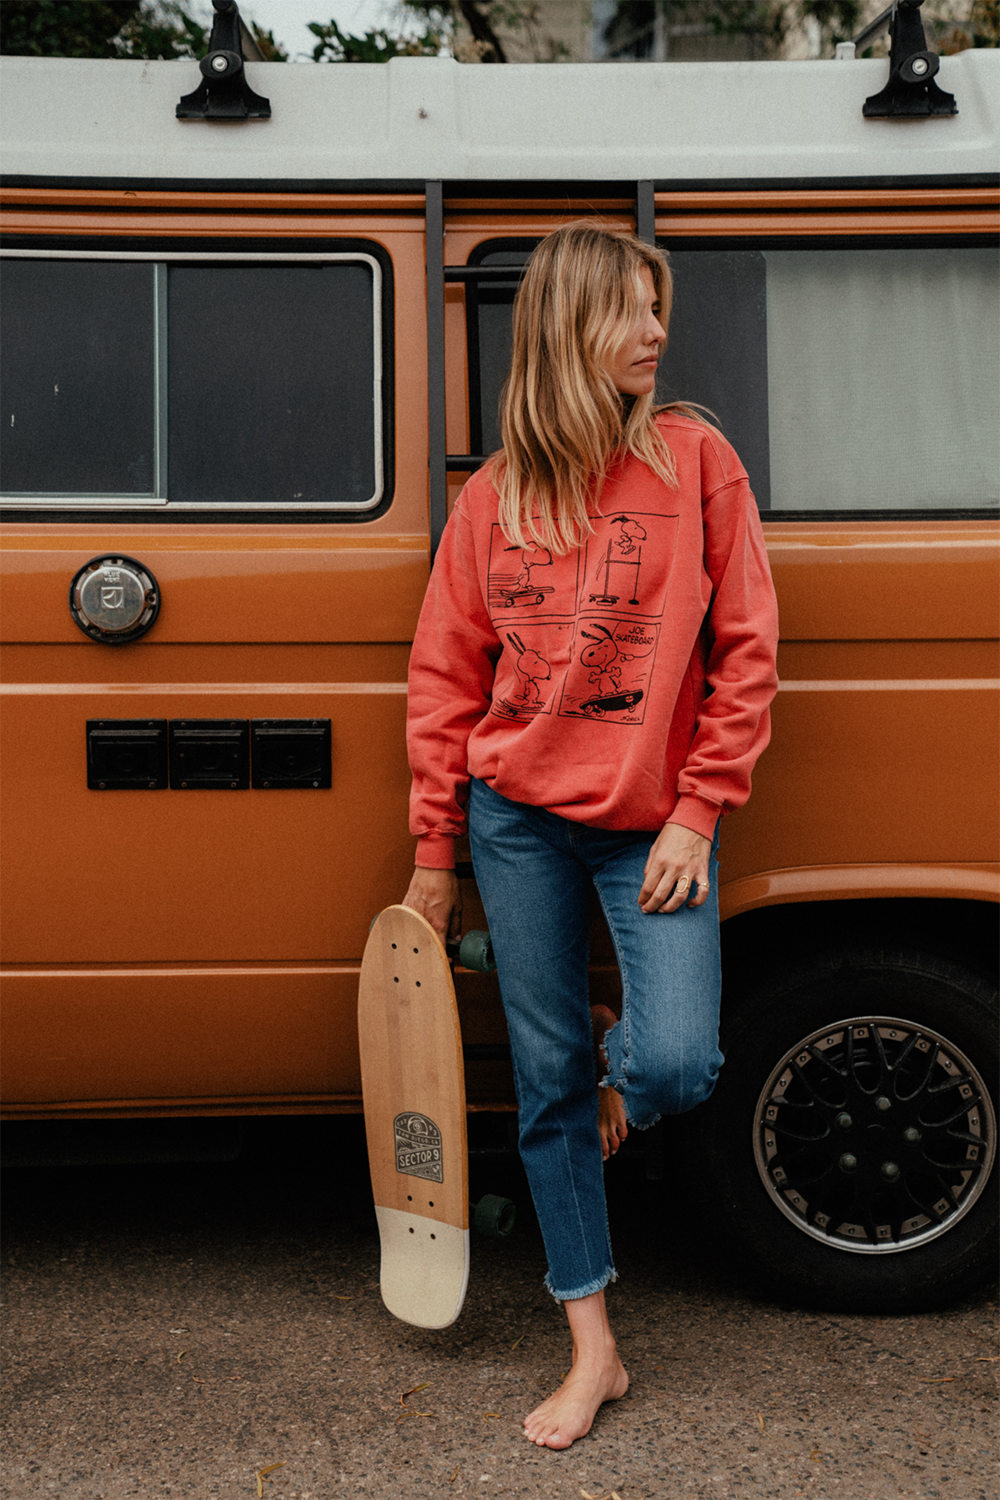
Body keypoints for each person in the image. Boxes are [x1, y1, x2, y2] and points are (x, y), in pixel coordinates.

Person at [402, 222, 779, 1450]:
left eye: (658, 305)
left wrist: (696, 809)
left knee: (672, 1063)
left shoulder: (695, 462)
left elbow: (747, 657)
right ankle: (592, 1348)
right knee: (544, 1084)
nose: (658, 330)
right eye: (633, 308)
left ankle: (615, 1062)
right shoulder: (493, 499)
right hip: (513, 819)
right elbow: (444, 681)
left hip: (647, 826)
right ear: (570, 326)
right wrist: (432, 861)